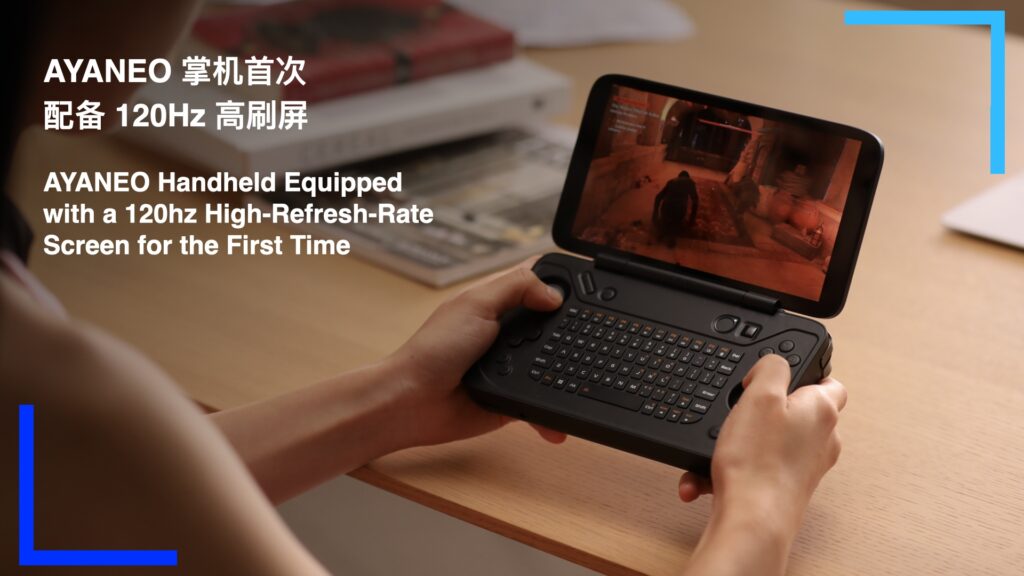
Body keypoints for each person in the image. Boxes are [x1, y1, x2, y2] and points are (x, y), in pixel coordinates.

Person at [0, 2, 846, 574]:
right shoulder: (52, 385)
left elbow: (58, 514)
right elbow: (88, 471)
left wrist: (399, 396)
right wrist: (762, 518)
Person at [652, 170, 700, 248]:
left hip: (666, 208)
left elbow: (658, 197)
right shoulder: (690, 183)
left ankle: (663, 231)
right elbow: (695, 201)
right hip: (679, 210)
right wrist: (692, 219)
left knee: (665, 221)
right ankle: (671, 237)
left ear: (679, 176)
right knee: (676, 223)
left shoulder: (671, 181)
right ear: (687, 177)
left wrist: (655, 213)